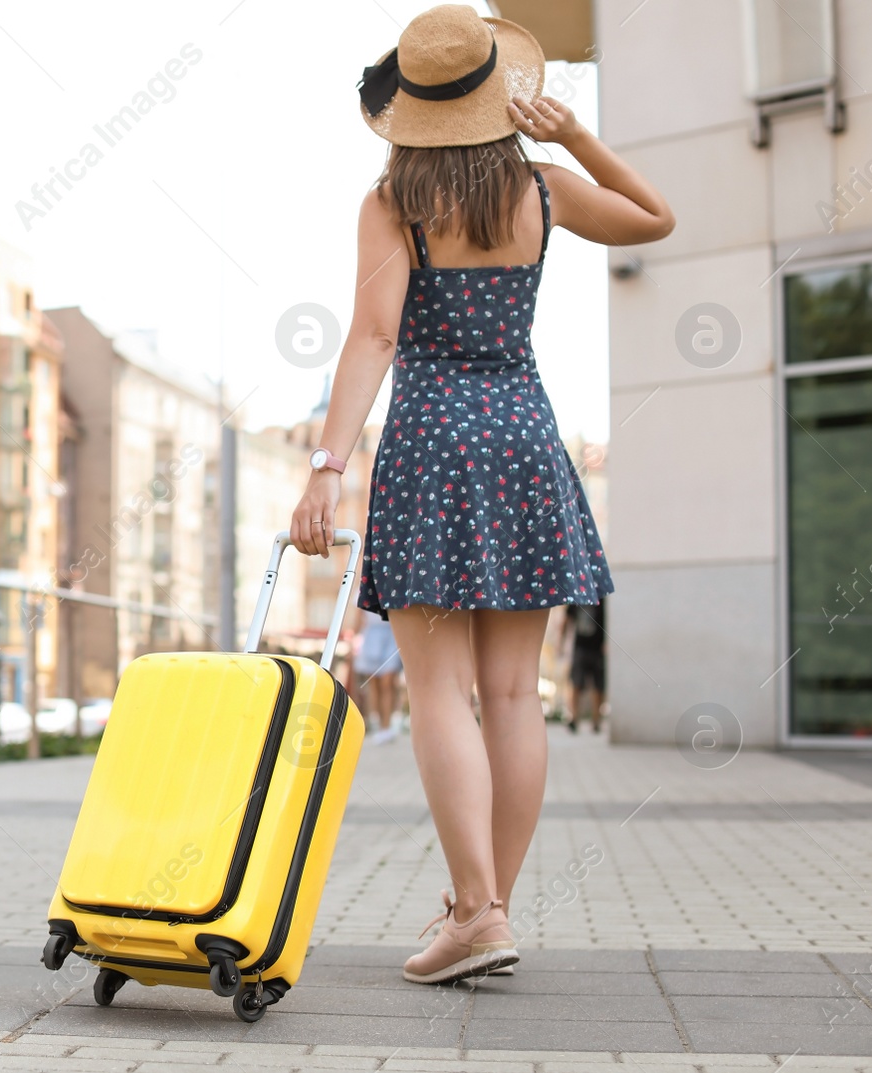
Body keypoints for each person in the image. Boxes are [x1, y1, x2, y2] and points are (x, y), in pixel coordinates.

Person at [289, 4, 673, 986]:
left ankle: (474, 909)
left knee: (437, 695)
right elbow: (654, 218)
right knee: (512, 695)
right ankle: (485, 907)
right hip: (522, 439)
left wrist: (328, 466)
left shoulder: (391, 201)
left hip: (430, 445)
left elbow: (373, 339)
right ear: (499, 96)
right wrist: (576, 133)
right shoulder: (541, 191)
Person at [353, 609, 403, 745]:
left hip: (391, 634)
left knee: (387, 683)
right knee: (374, 684)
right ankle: (377, 724)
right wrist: (352, 641)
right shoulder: (360, 590)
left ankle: (386, 726)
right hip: (371, 637)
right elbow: (359, 617)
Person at [562, 597, 606, 733]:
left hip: (597, 648)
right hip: (580, 647)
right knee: (576, 683)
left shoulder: (602, 599)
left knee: (598, 686)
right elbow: (567, 620)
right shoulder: (576, 597)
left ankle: (596, 719)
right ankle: (574, 718)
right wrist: (561, 642)